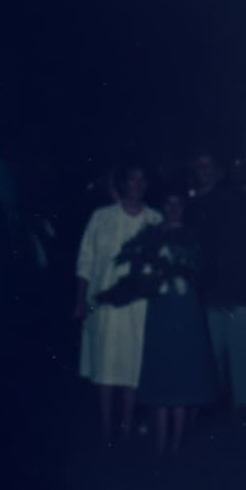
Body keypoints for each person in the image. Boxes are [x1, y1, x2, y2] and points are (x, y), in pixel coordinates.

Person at [98, 188, 218, 454]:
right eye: (169, 202)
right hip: (161, 311)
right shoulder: (152, 234)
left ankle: (177, 444)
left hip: (186, 311)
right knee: (161, 373)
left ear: (184, 207)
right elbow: (136, 271)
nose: (174, 208)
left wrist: (187, 280)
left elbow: (203, 272)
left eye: (178, 203)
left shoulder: (194, 235)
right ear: (163, 206)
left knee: (184, 375)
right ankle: (160, 446)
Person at [74, 163, 162, 442]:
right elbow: (85, 262)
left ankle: (126, 425)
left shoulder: (155, 219)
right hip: (104, 304)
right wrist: (79, 302)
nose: (136, 185)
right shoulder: (101, 217)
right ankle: (106, 426)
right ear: (123, 184)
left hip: (139, 306)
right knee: (105, 363)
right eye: (132, 180)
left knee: (133, 365)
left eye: (142, 180)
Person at [188, 151, 246, 413]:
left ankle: (244, 419)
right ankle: (214, 413)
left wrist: (236, 288)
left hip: (234, 292)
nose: (204, 171)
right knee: (211, 361)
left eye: (208, 166)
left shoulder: (236, 199)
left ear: (218, 169)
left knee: (242, 363)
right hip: (207, 294)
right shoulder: (192, 207)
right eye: (199, 166)